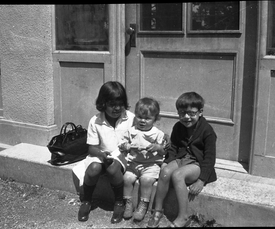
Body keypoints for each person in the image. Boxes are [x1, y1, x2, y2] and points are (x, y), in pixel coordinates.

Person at [147, 92, 217, 228]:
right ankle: (157, 210)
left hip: (198, 163)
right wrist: (167, 162)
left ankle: (183, 216)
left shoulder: (207, 131)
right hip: (182, 158)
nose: (186, 117)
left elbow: (209, 158)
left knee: (178, 175)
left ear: (200, 112)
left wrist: (201, 180)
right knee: (166, 172)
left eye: (192, 113)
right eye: (182, 113)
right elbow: (173, 147)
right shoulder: (178, 127)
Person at [77, 81, 135, 224]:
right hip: (101, 154)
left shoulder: (131, 118)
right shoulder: (95, 120)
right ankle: (87, 201)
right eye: (112, 104)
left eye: (120, 104)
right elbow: (91, 148)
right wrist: (101, 155)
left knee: (112, 167)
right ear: (103, 104)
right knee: (93, 169)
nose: (117, 108)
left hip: (122, 156)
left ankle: (119, 202)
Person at [118, 97, 167, 222]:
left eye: (148, 118)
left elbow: (164, 151)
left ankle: (143, 205)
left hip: (151, 165)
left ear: (155, 119)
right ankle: (128, 203)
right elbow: (122, 145)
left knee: (146, 180)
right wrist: (125, 146)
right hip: (134, 163)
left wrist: (158, 147)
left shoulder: (158, 134)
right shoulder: (131, 131)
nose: (143, 121)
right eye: (140, 117)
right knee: (127, 179)